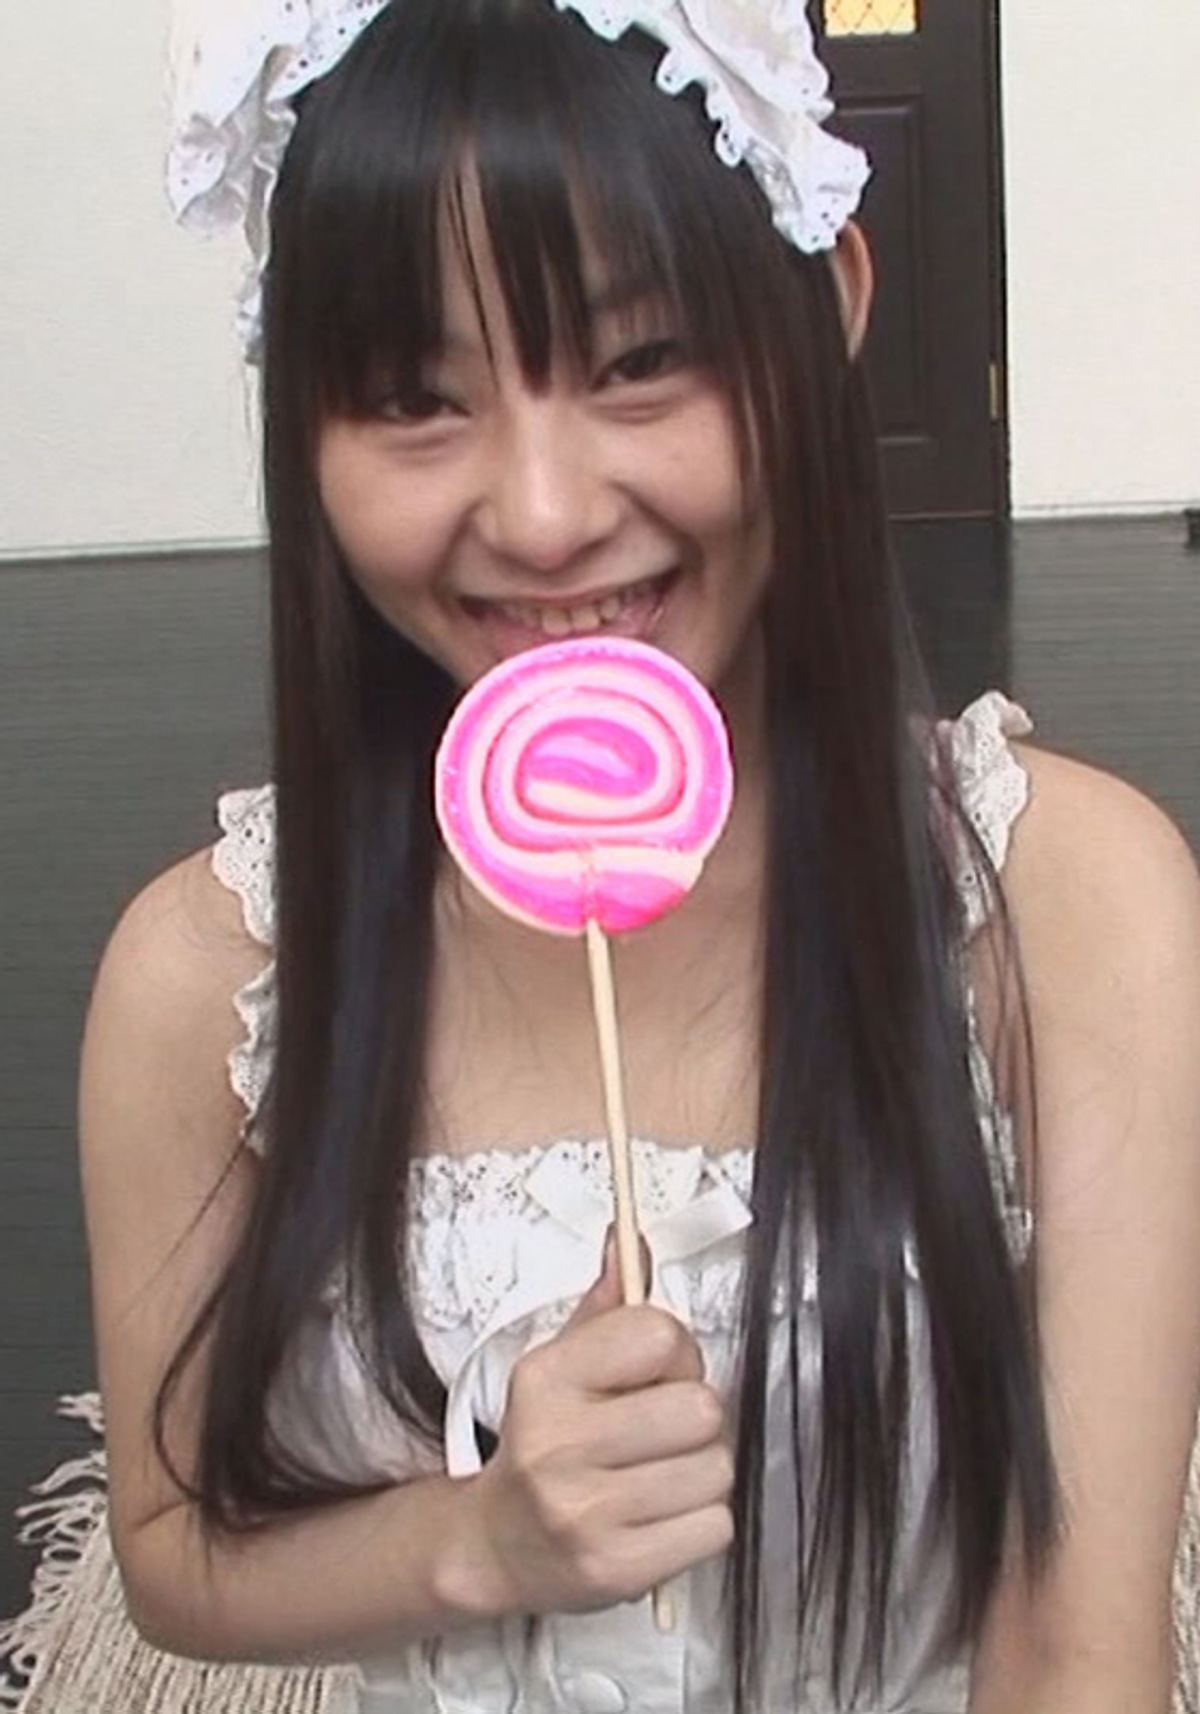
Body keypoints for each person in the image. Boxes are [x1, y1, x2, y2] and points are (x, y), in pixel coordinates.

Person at [77, 1, 1200, 1710]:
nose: (542, 515)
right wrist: (478, 1539)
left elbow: (1081, 1647)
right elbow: (170, 1546)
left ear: (829, 303)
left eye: (638, 361)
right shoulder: (207, 975)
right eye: (412, 397)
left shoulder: (1071, 906)